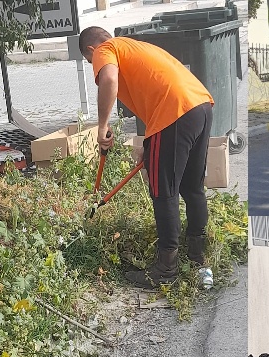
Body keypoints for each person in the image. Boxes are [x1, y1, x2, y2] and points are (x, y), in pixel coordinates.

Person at [79, 26, 214, 288]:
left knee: (163, 191)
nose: (93, 66)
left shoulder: (104, 49)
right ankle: (197, 258)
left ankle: (166, 269)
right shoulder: (134, 47)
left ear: (90, 50)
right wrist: (151, 142)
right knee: (192, 188)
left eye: (89, 63)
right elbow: (155, 87)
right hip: (200, 106)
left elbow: (108, 80)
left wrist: (102, 126)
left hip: (174, 111)